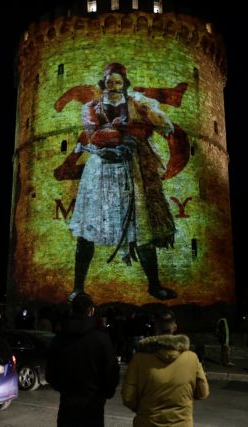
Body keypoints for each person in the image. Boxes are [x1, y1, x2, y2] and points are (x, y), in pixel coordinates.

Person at [66, 62, 178, 302]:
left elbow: (163, 125)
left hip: (131, 168)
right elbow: (93, 134)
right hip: (99, 170)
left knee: (141, 224)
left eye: (118, 82)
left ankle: (154, 285)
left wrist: (136, 129)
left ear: (124, 84)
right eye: (109, 81)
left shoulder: (136, 104)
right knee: (87, 227)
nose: (113, 86)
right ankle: (77, 288)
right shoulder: (91, 107)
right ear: (103, 83)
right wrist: (122, 133)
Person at [121, 309, 209, 426]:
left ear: (155, 328)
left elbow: (128, 397)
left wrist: (145, 411)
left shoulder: (140, 359)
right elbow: (202, 392)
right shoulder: (192, 358)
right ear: (175, 327)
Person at [45, 293, 120, 427]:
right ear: (91, 310)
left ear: (72, 310)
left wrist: (64, 389)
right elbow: (111, 372)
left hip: (68, 406)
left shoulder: (60, 338)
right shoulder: (101, 338)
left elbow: (50, 373)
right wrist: (105, 393)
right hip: (93, 407)